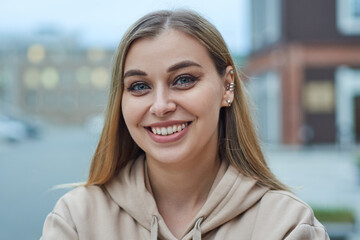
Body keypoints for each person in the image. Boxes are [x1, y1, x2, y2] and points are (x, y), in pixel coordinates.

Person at [41, 9, 329, 240]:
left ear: (227, 86)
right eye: (139, 86)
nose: (161, 105)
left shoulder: (287, 225)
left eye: (183, 80)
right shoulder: (77, 220)